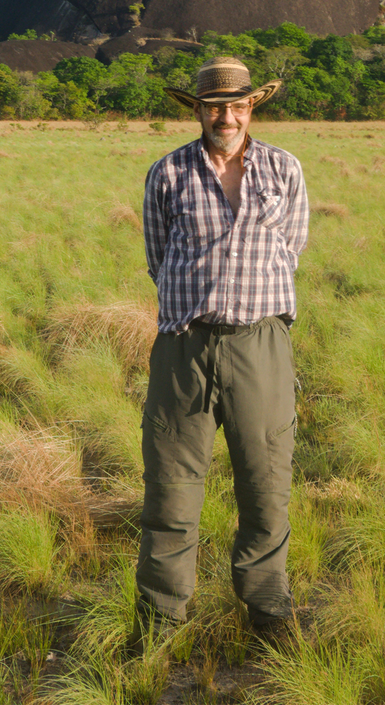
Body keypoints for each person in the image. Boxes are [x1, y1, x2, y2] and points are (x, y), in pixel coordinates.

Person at [135, 55, 309, 650]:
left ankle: (266, 609)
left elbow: (292, 246)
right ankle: (159, 618)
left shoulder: (284, 170)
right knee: (170, 489)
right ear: (197, 111)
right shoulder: (169, 173)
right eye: (214, 106)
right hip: (184, 345)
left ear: (252, 107)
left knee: (265, 482)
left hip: (259, 345)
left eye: (236, 105)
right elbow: (159, 257)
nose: (225, 116)